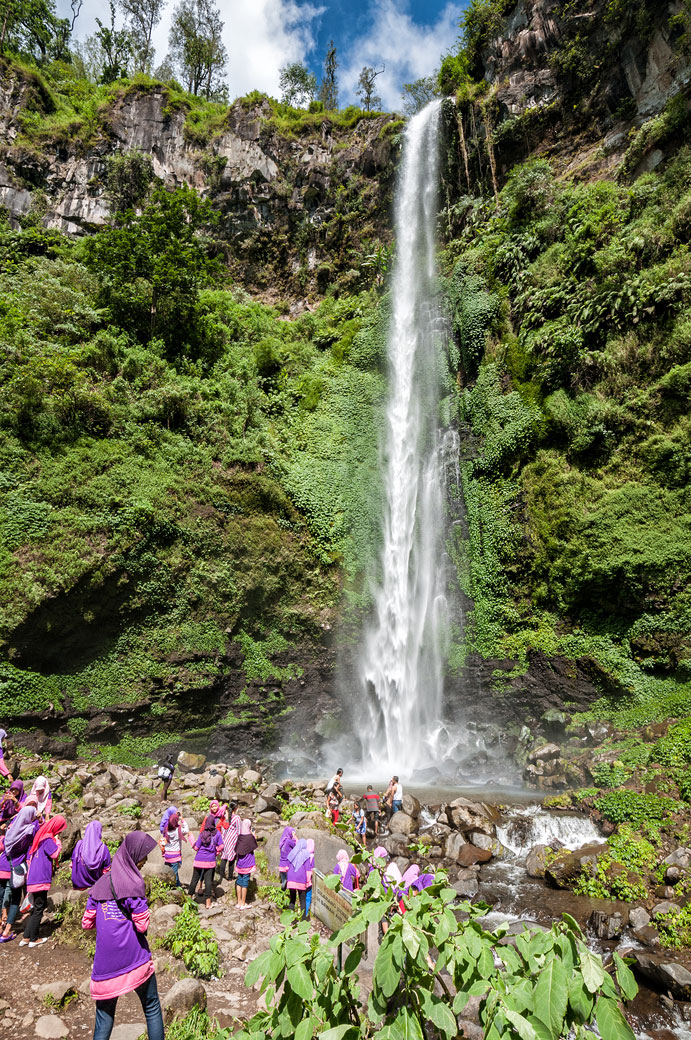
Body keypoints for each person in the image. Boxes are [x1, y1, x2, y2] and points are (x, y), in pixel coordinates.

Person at [82, 831, 163, 1040]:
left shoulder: (99, 885)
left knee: (104, 1019)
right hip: (134, 960)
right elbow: (142, 925)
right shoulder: (132, 884)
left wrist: (108, 917)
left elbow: (87, 922)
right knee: (152, 1007)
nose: (144, 861)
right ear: (132, 856)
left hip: (105, 967)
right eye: (142, 857)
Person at [21, 814, 67, 947]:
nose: (60, 831)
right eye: (60, 828)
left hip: (33, 877)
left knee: (35, 908)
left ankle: (25, 937)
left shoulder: (40, 836)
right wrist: (57, 841)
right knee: (39, 909)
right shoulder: (47, 838)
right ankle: (34, 939)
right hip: (40, 878)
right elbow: (54, 854)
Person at [0, 798, 39, 943]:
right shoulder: (28, 831)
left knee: (1, 896)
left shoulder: (10, 829)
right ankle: (7, 931)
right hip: (15, 869)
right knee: (15, 900)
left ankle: (0, 926)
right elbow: (37, 830)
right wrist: (39, 819)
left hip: (2, 865)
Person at [188, 818, 222, 909]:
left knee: (194, 880)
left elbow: (196, 847)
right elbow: (221, 846)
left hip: (199, 860)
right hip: (210, 861)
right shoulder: (217, 833)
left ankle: (189, 900)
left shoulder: (202, 833)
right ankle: (208, 903)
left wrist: (191, 838)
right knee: (208, 882)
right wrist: (216, 851)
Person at [72, 821, 112, 891]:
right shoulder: (103, 848)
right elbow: (106, 870)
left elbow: (73, 864)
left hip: (79, 884)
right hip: (95, 883)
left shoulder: (79, 845)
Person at [158, 811, 190, 888]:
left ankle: (178, 884)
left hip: (167, 855)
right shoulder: (178, 830)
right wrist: (182, 819)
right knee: (174, 874)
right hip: (175, 856)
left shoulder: (166, 829)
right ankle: (175, 888)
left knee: (169, 872)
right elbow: (186, 830)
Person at [286, 838, 314, 919]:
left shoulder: (293, 852)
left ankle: (290, 919)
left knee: (292, 899)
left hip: (291, 879)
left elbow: (287, 867)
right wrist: (308, 882)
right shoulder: (306, 854)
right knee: (302, 900)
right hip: (301, 879)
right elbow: (308, 870)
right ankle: (303, 920)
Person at [234, 819, 258, 909]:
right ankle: (243, 903)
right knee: (245, 883)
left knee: (239, 881)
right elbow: (254, 845)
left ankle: (239, 901)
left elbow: (236, 849)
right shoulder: (250, 837)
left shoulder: (240, 837)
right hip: (248, 864)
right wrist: (253, 834)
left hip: (240, 863)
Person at [217, 802, 239, 882]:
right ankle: (230, 877)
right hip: (233, 840)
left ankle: (221, 876)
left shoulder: (226, 816)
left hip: (225, 839)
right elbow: (238, 830)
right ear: (236, 808)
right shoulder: (237, 818)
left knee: (224, 858)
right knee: (232, 858)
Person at [277, 825, 296, 891]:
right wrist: (295, 837)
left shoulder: (282, 842)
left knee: (283, 879)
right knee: (289, 880)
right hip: (288, 865)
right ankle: (288, 888)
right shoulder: (289, 841)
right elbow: (297, 845)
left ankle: (283, 884)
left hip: (281, 865)